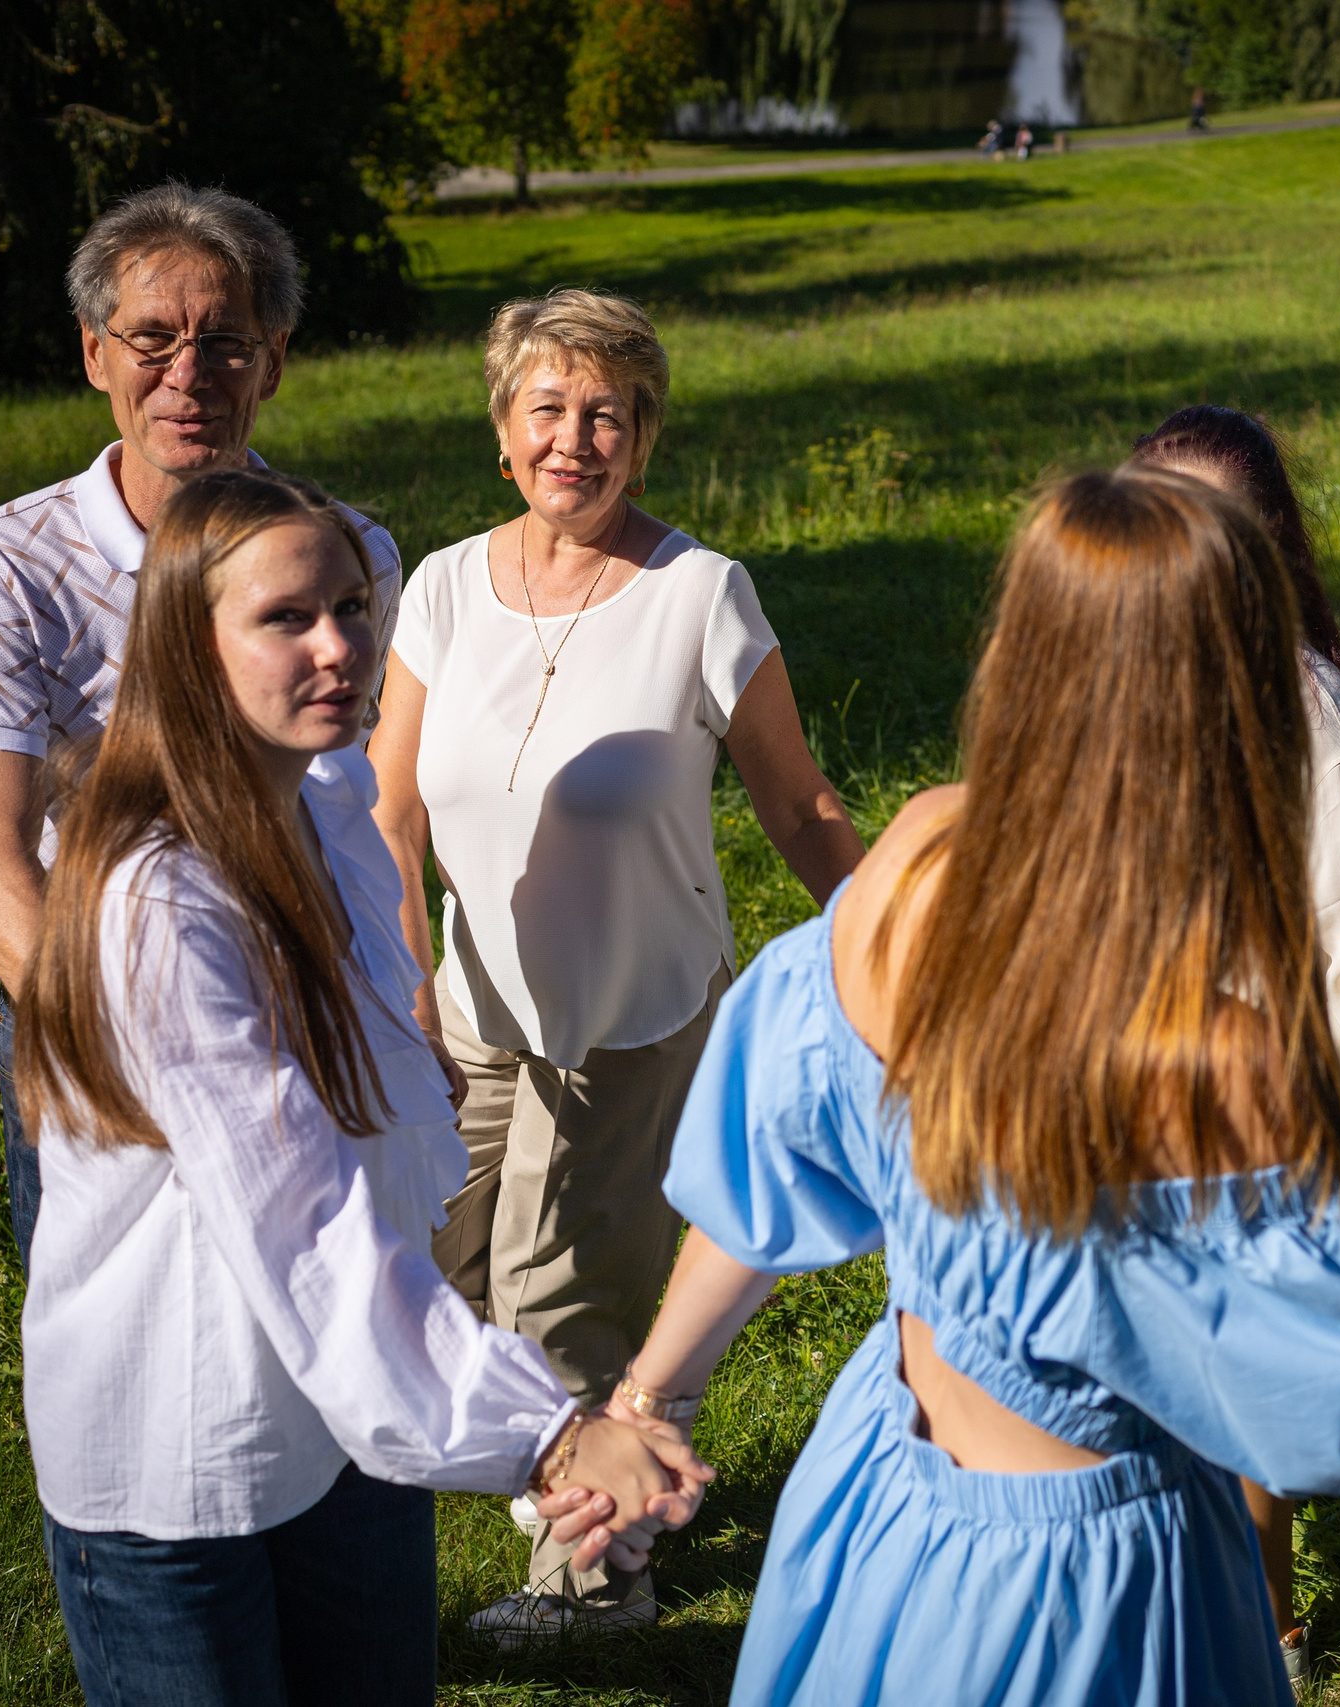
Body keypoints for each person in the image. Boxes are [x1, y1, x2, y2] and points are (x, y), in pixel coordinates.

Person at [593, 467, 1340, 1707]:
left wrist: (650, 1395)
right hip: (1084, 1583)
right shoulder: (1201, 1044)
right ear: (1241, 688)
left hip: (878, 1503)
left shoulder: (919, 858)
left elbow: (771, 1151)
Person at [12, 468, 705, 1707]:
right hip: (191, 1451)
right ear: (189, 646)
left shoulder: (322, 806)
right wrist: (548, 1433)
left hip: (351, 1422)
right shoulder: (158, 901)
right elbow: (303, 1217)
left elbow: (378, 1155)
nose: (339, 648)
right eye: (285, 619)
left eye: (351, 606)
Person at [368, 285, 862, 1644]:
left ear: (643, 441)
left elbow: (798, 803)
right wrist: (400, 976)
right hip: (467, 1009)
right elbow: (387, 808)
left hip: (634, 1017)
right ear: (503, 430)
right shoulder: (444, 586)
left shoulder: (697, 592)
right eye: (548, 410)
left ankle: (598, 1588)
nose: (573, 440)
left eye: (607, 415)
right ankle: (601, 1453)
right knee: (422, 1258)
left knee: (556, 1296)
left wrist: (897, 946)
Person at [0, 183, 403, 1273]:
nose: (187, 376)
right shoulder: (6, 565)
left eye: (226, 344)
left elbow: (352, 807)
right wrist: (127, 1056)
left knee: (327, 1321)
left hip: (306, 988)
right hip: (83, 996)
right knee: (122, 1336)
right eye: (151, 339)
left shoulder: (349, 552)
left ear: (273, 362)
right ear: (95, 354)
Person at [1130, 404, 1340, 1679]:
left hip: (1248, 1116)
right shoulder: (1117, 674)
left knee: (1236, 1403)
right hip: (1108, 1092)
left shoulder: (1312, 718)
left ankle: (1268, 1635)